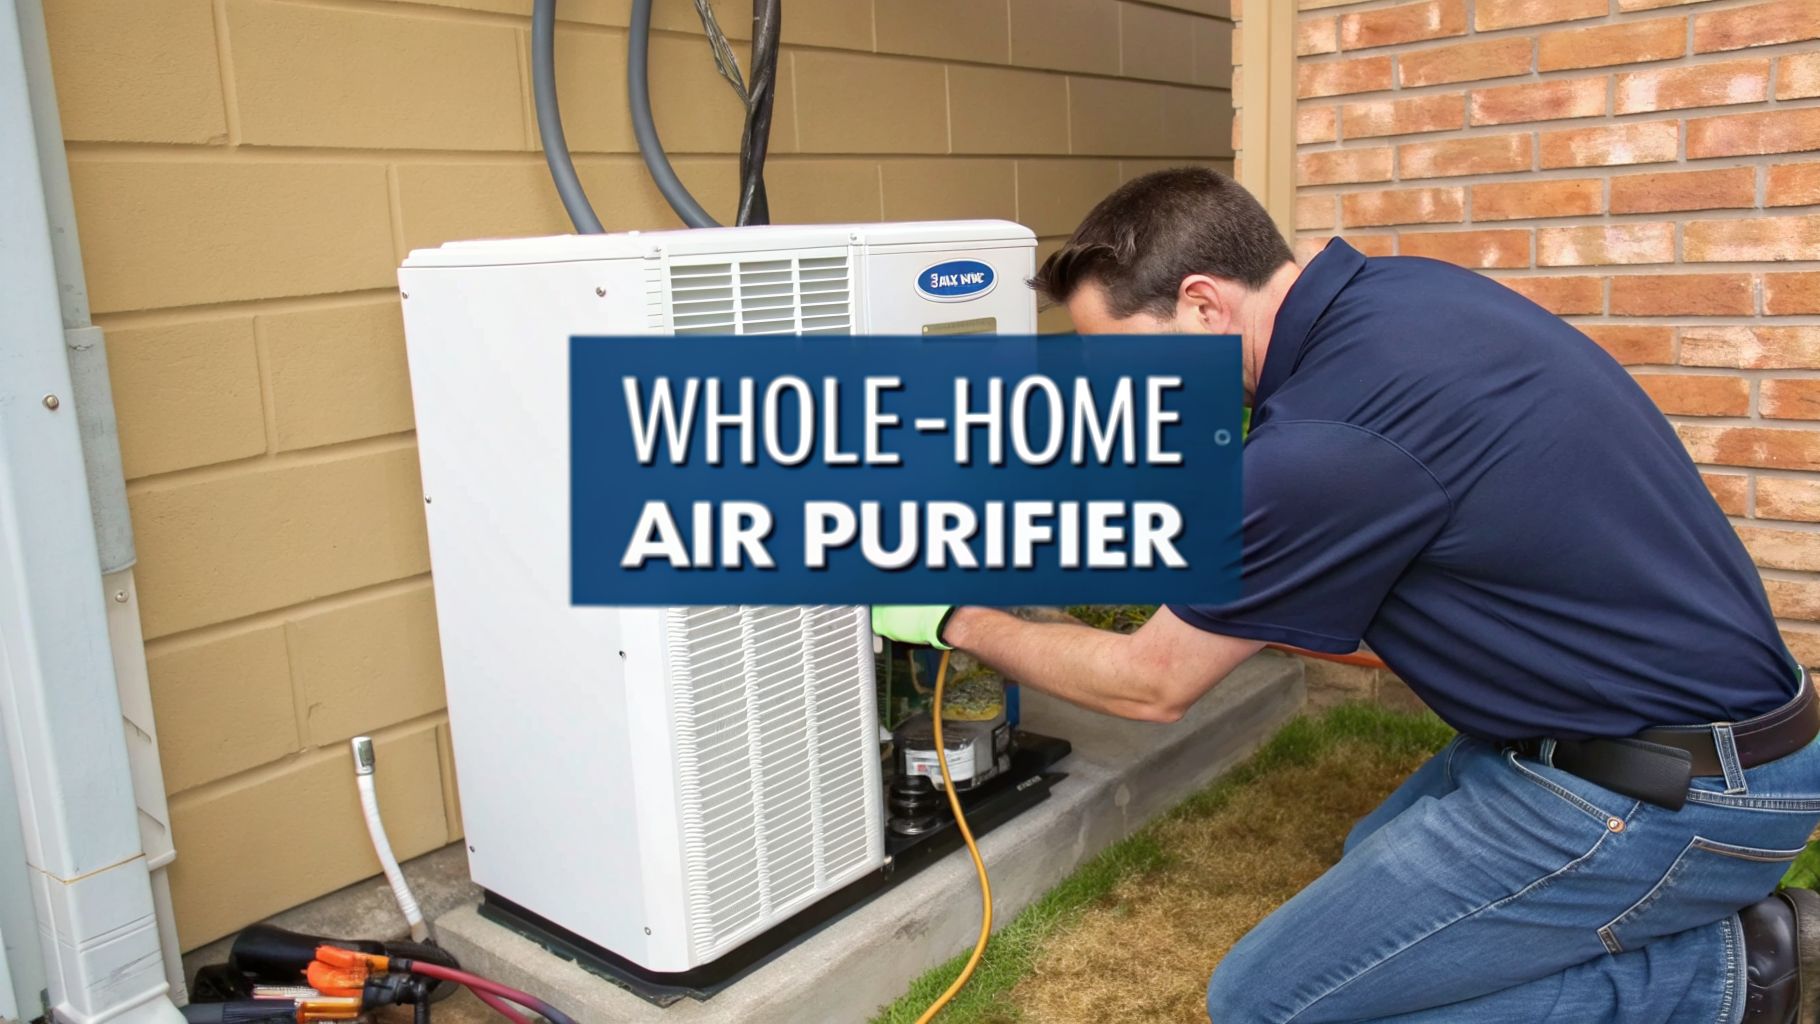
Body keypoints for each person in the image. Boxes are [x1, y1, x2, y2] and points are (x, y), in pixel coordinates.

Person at [871, 167, 1820, 1023]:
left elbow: (1147, 684)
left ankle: (1736, 977)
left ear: (1202, 306)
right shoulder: (1399, 301)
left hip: (1674, 794)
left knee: (1273, 1002)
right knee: (1372, 863)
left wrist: (960, 616)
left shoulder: (1325, 441)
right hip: (1682, 736)